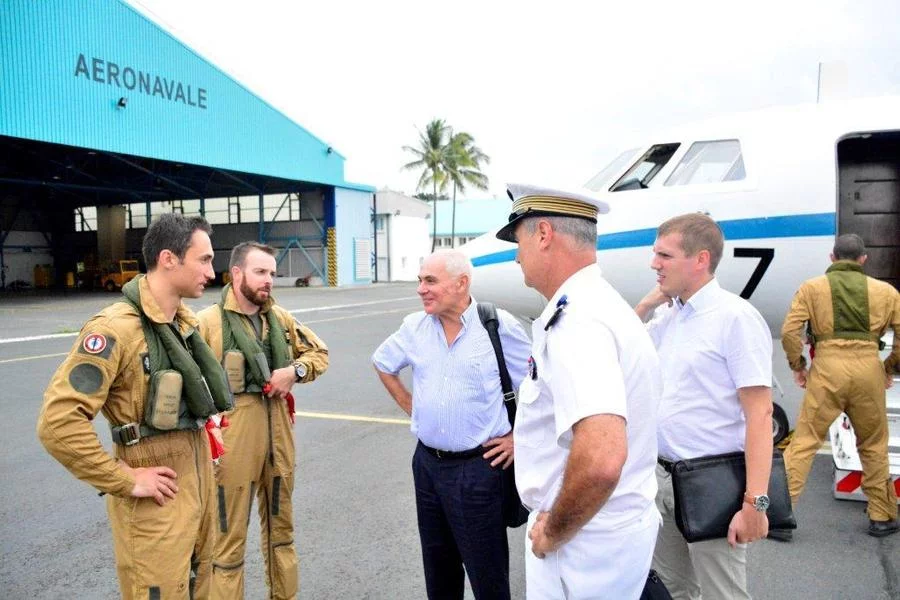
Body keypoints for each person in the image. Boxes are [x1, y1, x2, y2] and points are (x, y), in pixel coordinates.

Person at [37, 213, 233, 599]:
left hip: (197, 482)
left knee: (206, 585)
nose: (213, 271)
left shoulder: (183, 325)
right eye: (204, 259)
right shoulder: (114, 329)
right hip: (156, 494)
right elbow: (58, 422)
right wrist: (124, 479)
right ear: (168, 259)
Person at [496, 183, 662, 599]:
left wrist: (553, 531)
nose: (517, 255)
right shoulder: (599, 304)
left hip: (583, 543)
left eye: (518, 240)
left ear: (544, 234)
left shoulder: (579, 322)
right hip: (605, 532)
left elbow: (602, 458)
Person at [372, 248, 531, 600]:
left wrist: (519, 437)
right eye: (419, 280)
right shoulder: (414, 327)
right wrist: (413, 408)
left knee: (487, 574)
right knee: (439, 570)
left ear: (461, 284)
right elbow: (383, 364)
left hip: (479, 470)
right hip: (427, 466)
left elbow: (542, 387)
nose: (420, 289)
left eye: (430, 281)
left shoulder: (497, 325)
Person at [634, 213, 773, 600]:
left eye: (664, 255)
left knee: (722, 595)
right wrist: (646, 304)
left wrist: (755, 503)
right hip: (661, 479)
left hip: (711, 483)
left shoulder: (736, 318)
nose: (653, 264)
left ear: (700, 260)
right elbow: (622, 351)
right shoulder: (668, 317)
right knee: (674, 589)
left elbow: (760, 414)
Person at [196, 241, 329, 599]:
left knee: (282, 534)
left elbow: (319, 352)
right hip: (234, 443)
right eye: (260, 272)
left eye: (271, 273)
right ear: (237, 273)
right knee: (227, 545)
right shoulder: (207, 323)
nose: (268, 280)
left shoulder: (280, 319)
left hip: (279, 441)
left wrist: (294, 371)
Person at [780, 233, 899, 538]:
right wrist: (889, 368)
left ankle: (782, 515)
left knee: (805, 441)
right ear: (863, 260)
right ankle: (881, 515)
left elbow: (791, 331)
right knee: (872, 444)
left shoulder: (812, 288)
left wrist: (799, 367)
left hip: (827, 370)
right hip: (868, 368)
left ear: (832, 258)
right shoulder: (887, 292)